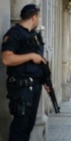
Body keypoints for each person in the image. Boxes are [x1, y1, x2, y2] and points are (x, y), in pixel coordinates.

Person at [1, 4, 48, 141]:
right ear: (33, 17)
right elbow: (6, 59)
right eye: (38, 17)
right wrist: (31, 56)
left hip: (34, 86)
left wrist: (45, 80)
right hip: (21, 87)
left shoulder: (34, 36)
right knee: (20, 126)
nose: (39, 20)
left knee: (28, 126)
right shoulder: (14, 33)